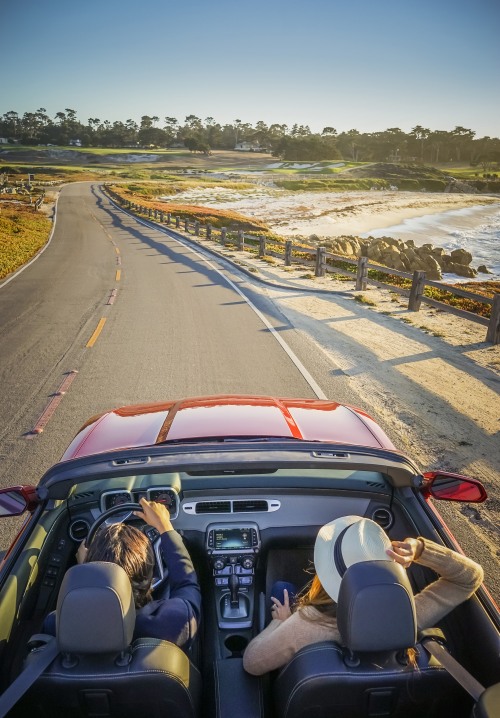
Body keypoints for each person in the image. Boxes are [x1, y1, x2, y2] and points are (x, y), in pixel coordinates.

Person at [243, 515, 483, 676]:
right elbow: (470, 577)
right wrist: (420, 550)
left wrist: (280, 621)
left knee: (281, 590)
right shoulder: (406, 620)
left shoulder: (304, 623)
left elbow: (252, 663)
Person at [44, 498, 201, 651]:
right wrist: (165, 527)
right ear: (150, 575)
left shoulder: (58, 624)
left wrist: (86, 568)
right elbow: (186, 584)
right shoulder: (176, 622)